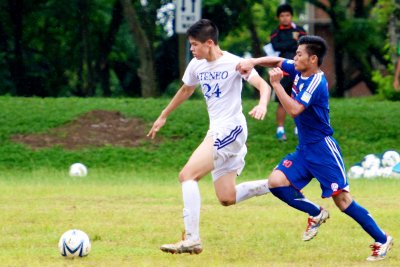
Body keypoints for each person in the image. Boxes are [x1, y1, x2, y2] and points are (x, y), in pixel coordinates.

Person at [236, 35, 393, 261]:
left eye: (299, 54)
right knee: (276, 182)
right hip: (305, 149)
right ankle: (316, 212)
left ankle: (381, 239)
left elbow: (294, 110)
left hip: (323, 149)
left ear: (313, 58)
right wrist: (253, 62)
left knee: (342, 201)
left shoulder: (316, 82)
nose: (295, 57)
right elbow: (278, 61)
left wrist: (277, 85)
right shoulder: (300, 70)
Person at [147, 19, 272, 255]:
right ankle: (277, 184)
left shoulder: (235, 63)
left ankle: (192, 239)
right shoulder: (197, 65)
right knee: (227, 197)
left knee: (187, 175)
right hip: (217, 130)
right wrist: (163, 115)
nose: (192, 49)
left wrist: (263, 104)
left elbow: (264, 86)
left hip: (230, 129)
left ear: (210, 43)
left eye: (194, 44)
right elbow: (186, 90)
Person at [270, 3, 306, 141]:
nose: (285, 18)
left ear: (291, 16)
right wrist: (292, 42)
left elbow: (304, 46)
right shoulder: (275, 32)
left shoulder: (300, 30)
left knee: (300, 100)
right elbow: (276, 46)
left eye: (287, 15)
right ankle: (280, 130)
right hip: (283, 71)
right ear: (278, 18)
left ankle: (299, 128)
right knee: (282, 102)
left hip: (299, 70)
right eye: (282, 15)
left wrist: (291, 43)